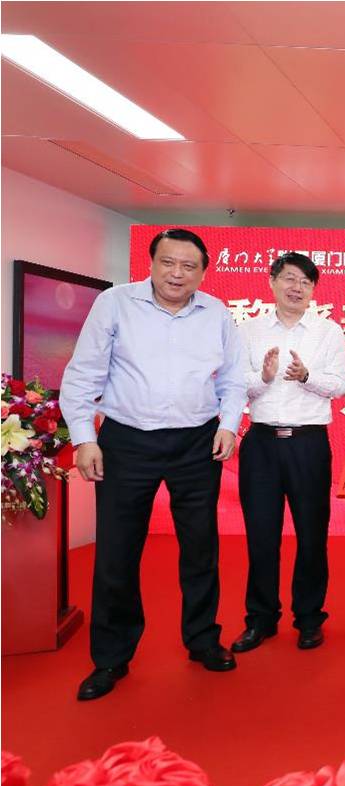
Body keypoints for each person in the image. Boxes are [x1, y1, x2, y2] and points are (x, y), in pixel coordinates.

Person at [61, 228, 247, 701]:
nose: (176, 274)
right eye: (168, 262)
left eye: (188, 266)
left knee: (200, 547)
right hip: (126, 441)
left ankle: (202, 639)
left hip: (197, 442)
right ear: (151, 263)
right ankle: (111, 657)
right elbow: (82, 375)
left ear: (203, 273)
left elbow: (233, 378)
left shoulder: (216, 313)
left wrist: (229, 425)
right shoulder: (115, 304)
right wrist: (84, 439)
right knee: (117, 552)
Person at [231, 253, 345, 654]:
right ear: (272, 281)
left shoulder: (329, 331)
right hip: (261, 443)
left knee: (312, 536)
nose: (297, 288)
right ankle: (260, 620)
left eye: (305, 282)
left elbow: (339, 384)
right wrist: (263, 377)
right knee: (261, 537)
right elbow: (236, 384)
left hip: (308, 443)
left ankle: (309, 618)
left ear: (313, 289)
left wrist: (307, 376)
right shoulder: (248, 330)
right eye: (289, 279)